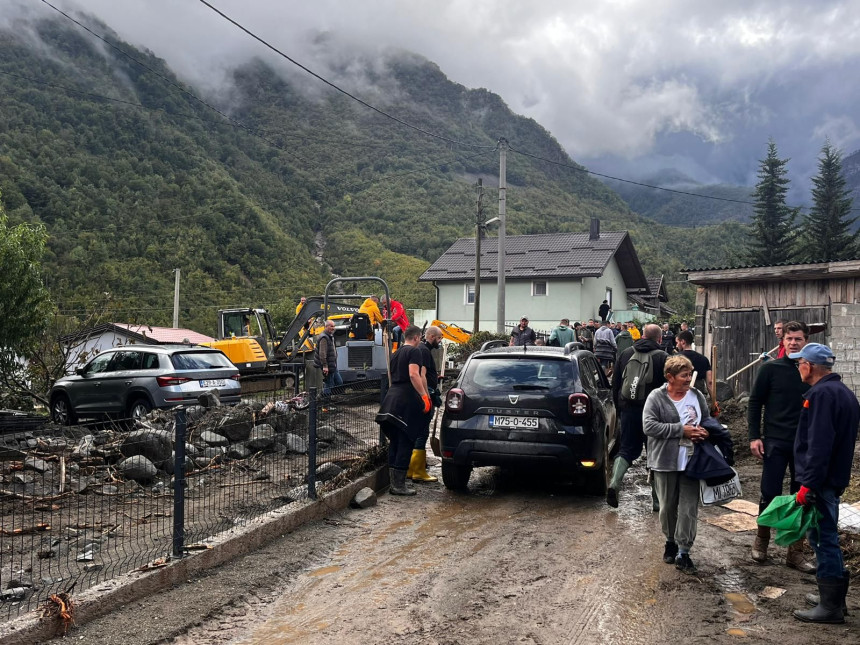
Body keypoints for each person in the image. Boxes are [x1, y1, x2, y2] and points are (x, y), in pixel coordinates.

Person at [790, 343, 860, 624]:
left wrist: (808, 484)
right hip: (835, 477)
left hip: (821, 480)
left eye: (800, 363)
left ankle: (830, 607)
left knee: (823, 537)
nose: (798, 367)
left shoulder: (821, 395)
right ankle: (834, 599)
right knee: (825, 535)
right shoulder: (844, 393)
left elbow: (819, 445)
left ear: (810, 366)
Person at [748, 321, 815, 572]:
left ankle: (794, 552)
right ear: (783, 341)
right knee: (769, 492)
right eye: (789, 339)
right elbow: (755, 402)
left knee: (802, 496)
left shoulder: (811, 370)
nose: (793, 343)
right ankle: (761, 541)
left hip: (805, 444)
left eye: (798, 339)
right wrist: (754, 436)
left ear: (805, 340)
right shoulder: (770, 369)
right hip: (775, 440)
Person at [643, 354, 712, 574]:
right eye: (684, 375)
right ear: (670, 377)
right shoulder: (656, 397)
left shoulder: (696, 395)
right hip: (665, 461)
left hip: (693, 461)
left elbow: (708, 420)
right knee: (667, 507)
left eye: (690, 374)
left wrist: (706, 431)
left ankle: (684, 551)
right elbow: (649, 426)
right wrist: (680, 430)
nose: (688, 379)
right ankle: (670, 541)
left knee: (689, 508)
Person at [608, 323, 668, 509]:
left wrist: (620, 410)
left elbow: (616, 384)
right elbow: (669, 388)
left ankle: (614, 483)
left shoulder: (626, 353)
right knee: (655, 454)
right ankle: (657, 500)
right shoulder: (663, 357)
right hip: (655, 414)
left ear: (641, 335)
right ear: (659, 339)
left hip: (629, 410)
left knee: (626, 449)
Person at [375, 326, 432, 496]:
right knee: (406, 442)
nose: (420, 341)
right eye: (420, 338)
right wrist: (424, 396)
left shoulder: (396, 353)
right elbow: (414, 375)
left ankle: (395, 483)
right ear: (416, 338)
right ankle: (398, 486)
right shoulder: (414, 352)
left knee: (396, 442)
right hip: (405, 401)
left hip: (391, 401)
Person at [408, 326, 444, 482]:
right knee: (422, 433)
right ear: (431, 336)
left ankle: (412, 469)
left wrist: (436, 377)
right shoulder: (423, 351)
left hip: (424, 392)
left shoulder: (424, 350)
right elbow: (420, 376)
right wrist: (428, 396)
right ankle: (418, 471)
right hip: (423, 396)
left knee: (419, 432)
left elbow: (426, 374)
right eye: (439, 337)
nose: (440, 341)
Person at [676, 330, 712, 401]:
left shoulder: (675, 359)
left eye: (677, 342)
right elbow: (710, 383)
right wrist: (714, 401)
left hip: (680, 395)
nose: (676, 345)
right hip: (698, 396)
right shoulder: (704, 359)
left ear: (683, 341)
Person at [313, 320, 342, 396]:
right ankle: (326, 403)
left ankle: (328, 397)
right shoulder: (324, 338)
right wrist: (325, 366)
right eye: (331, 326)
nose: (333, 328)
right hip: (328, 366)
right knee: (329, 384)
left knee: (339, 382)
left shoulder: (330, 336)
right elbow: (322, 353)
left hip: (333, 365)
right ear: (326, 327)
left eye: (334, 326)